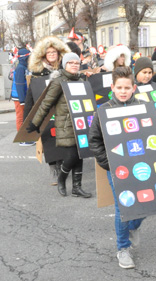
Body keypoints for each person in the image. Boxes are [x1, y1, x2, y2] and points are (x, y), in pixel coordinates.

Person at [89, 66, 156, 269]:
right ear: (112, 88)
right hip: (118, 170)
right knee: (123, 207)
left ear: (134, 88)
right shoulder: (103, 111)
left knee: (148, 203)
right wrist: (108, 163)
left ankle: (133, 226)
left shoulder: (144, 107)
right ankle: (123, 248)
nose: (123, 91)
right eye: (119, 87)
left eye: (127, 87)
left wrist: (155, 154)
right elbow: (94, 140)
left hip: (143, 166)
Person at [27, 53, 92, 199]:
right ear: (65, 65)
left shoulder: (81, 80)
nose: (75, 65)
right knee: (71, 155)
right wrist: (35, 123)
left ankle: (77, 187)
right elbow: (46, 104)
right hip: (65, 125)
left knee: (80, 155)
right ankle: (62, 178)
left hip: (81, 124)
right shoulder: (58, 82)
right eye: (71, 63)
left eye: (77, 63)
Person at [23, 36, 71, 182]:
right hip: (46, 114)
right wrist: (27, 120)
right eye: (48, 52)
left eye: (54, 52)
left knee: (66, 142)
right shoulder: (38, 75)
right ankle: (56, 172)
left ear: (58, 54)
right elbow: (31, 98)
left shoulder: (65, 71)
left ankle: (65, 169)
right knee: (50, 142)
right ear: (44, 55)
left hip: (63, 112)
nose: (51, 54)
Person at [11, 48, 30, 143]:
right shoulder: (20, 68)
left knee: (23, 117)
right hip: (19, 97)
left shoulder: (23, 66)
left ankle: (25, 138)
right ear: (24, 58)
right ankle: (22, 139)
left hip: (21, 96)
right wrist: (22, 100)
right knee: (21, 117)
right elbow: (19, 85)